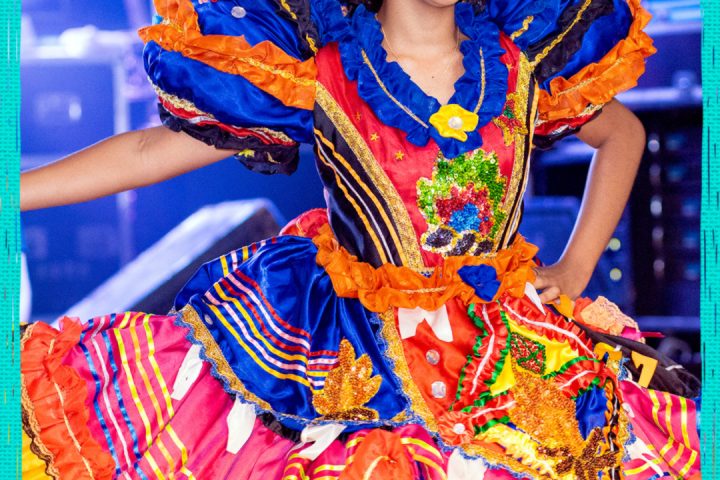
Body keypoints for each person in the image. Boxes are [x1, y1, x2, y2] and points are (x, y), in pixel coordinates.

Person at [21, 0, 701, 479]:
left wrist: (577, 265)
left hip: (506, 343)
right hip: (346, 344)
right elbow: (148, 151)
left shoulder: (520, 65)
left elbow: (623, 132)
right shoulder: (319, 72)